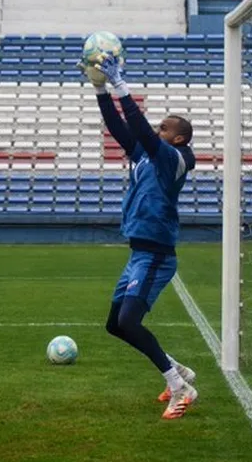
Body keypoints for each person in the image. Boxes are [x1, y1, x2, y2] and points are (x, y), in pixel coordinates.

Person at [79, 52, 198, 420]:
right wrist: (101, 89)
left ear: (177, 137)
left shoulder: (175, 158)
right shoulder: (147, 155)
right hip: (138, 254)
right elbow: (119, 127)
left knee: (131, 322)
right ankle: (178, 370)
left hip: (157, 254)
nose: (157, 130)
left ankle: (182, 388)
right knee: (115, 325)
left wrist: (121, 86)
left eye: (165, 128)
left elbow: (143, 131)